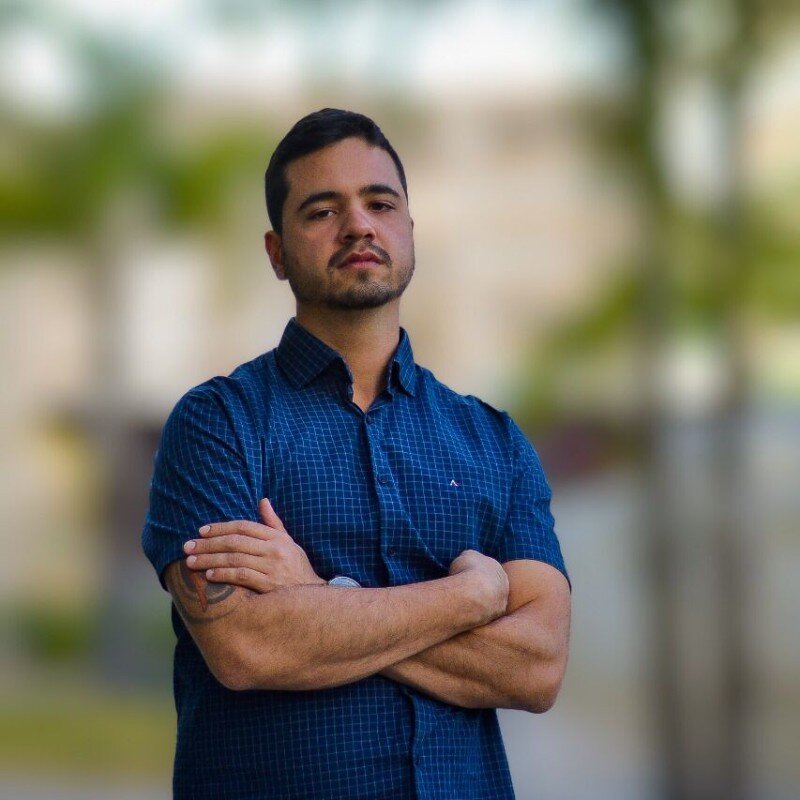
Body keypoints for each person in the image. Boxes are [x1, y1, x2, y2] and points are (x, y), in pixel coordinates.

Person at [142, 107, 572, 800]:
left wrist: (319, 598)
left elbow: (537, 668)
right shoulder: (218, 425)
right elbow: (247, 647)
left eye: (380, 203)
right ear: (276, 253)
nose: (358, 225)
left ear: (409, 230)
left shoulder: (494, 442)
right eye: (322, 211)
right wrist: (471, 597)